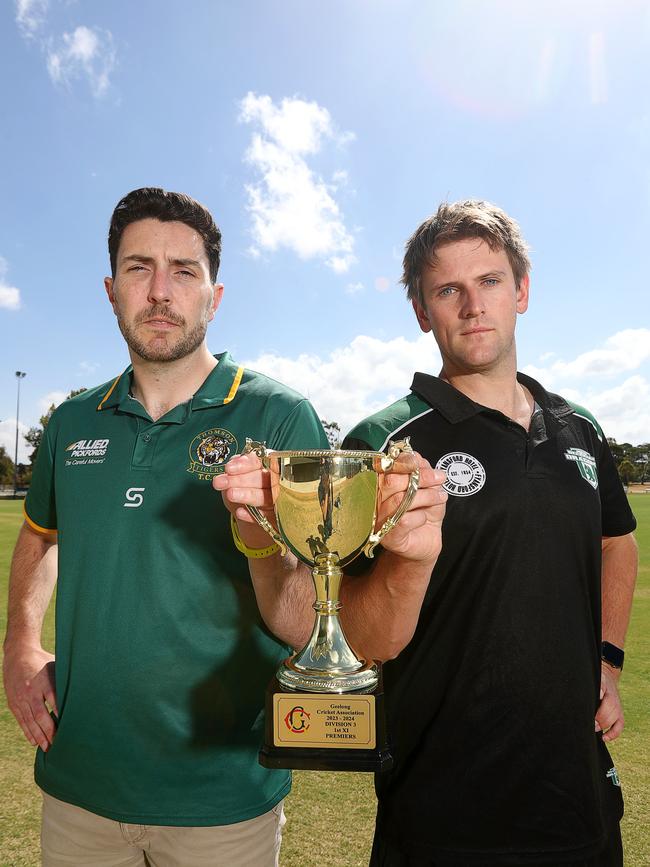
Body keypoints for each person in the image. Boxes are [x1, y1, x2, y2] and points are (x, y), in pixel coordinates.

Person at [2, 187, 447, 867]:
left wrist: (266, 541)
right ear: (110, 288)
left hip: (222, 796)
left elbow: (306, 602)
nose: (159, 291)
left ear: (215, 295)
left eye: (183, 271)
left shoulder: (276, 416)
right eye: (137, 267)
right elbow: (40, 535)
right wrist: (21, 645)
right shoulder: (72, 420)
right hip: (80, 786)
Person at [342, 200, 638, 867]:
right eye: (448, 289)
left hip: (579, 807)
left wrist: (608, 660)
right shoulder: (383, 442)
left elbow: (618, 540)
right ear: (423, 312)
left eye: (491, 281)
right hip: (441, 816)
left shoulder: (581, 428)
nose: (473, 304)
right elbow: (356, 632)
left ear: (521, 291)